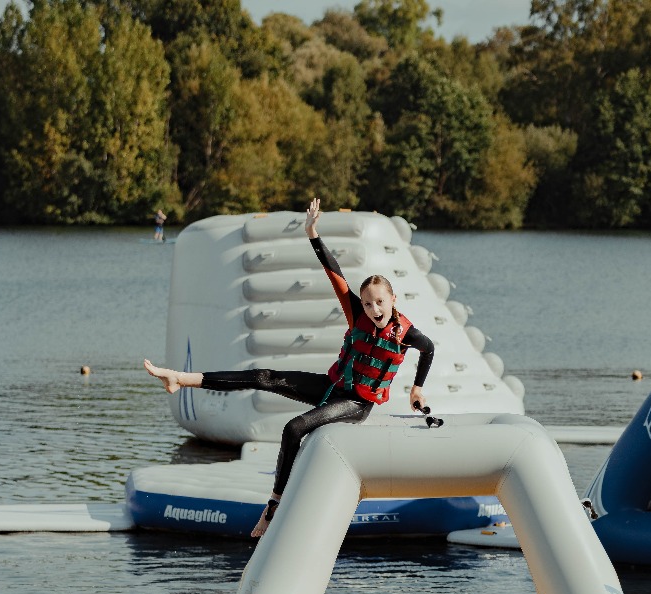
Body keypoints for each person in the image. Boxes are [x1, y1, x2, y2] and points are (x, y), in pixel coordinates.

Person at [144, 197, 435, 538]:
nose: (373, 309)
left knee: (294, 429)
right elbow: (333, 270)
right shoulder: (356, 312)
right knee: (264, 377)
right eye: (368, 303)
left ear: (393, 300)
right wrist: (312, 232)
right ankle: (180, 378)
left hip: (357, 403)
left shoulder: (406, 333)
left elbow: (428, 348)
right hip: (333, 387)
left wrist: (417, 388)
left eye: (380, 302)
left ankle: (272, 509)